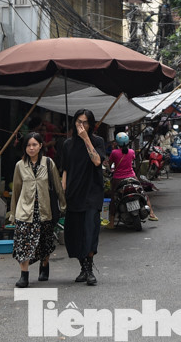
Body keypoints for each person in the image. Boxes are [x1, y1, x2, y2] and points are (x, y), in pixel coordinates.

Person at [8, 132, 66, 288]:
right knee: (23, 243)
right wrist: (13, 213)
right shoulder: (19, 166)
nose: (31, 148)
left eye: (34, 145)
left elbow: (57, 186)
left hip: (45, 210)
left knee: (44, 242)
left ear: (41, 146)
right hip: (25, 211)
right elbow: (16, 190)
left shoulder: (49, 163)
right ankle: (24, 275)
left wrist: (63, 204)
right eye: (28, 145)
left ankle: (44, 264)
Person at [58, 108, 105, 285]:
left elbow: (97, 161)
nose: (81, 125)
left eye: (85, 122)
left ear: (91, 124)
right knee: (75, 233)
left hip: (92, 193)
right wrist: (63, 188)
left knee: (90, 230)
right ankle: (83, 267)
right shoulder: (67, 144)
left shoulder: (97, 141)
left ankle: (90, 269)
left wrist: (86, 139)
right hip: (74, 193)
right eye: (79, 122)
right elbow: (65, 169)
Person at [107, 131, 157, 221]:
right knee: (143, 193)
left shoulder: (114, 153)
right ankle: (152, 214)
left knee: (114, 199)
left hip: (118, 179)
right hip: (131, 177)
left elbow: (110, 165)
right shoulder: (131, 152)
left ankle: (111, 222)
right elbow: (131, 160)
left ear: (117, 142)